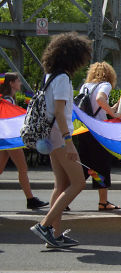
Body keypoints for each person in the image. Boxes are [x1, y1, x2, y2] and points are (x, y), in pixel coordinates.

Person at [28, 33, 92, 248]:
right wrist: (69, 141)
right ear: (74, 57)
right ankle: (45, 225)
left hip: (50, 134)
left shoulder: (50, 76)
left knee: (61, 184)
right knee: (79, 182)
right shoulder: (63, 79)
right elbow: (60, 110)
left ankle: (54, 235)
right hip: (60, 135)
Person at [76, 62, 121, 211]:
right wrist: (115, 114)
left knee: (86, 166)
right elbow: (100, 100)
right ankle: (103, 202)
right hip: (98, 132)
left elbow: (96, 106)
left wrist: (114, 107)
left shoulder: (85, 86)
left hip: (84, 130)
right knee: (102, 165)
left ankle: (64, 198)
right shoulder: (105, 85)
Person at [0, 73, 49, 210]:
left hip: (7, 140)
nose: (20, 83)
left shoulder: (8, 99)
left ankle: (31, 199)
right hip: (10, 141)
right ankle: (30, 199)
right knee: (23, 168)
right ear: (11, 83)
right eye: (18, 81)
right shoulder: (7, 101)